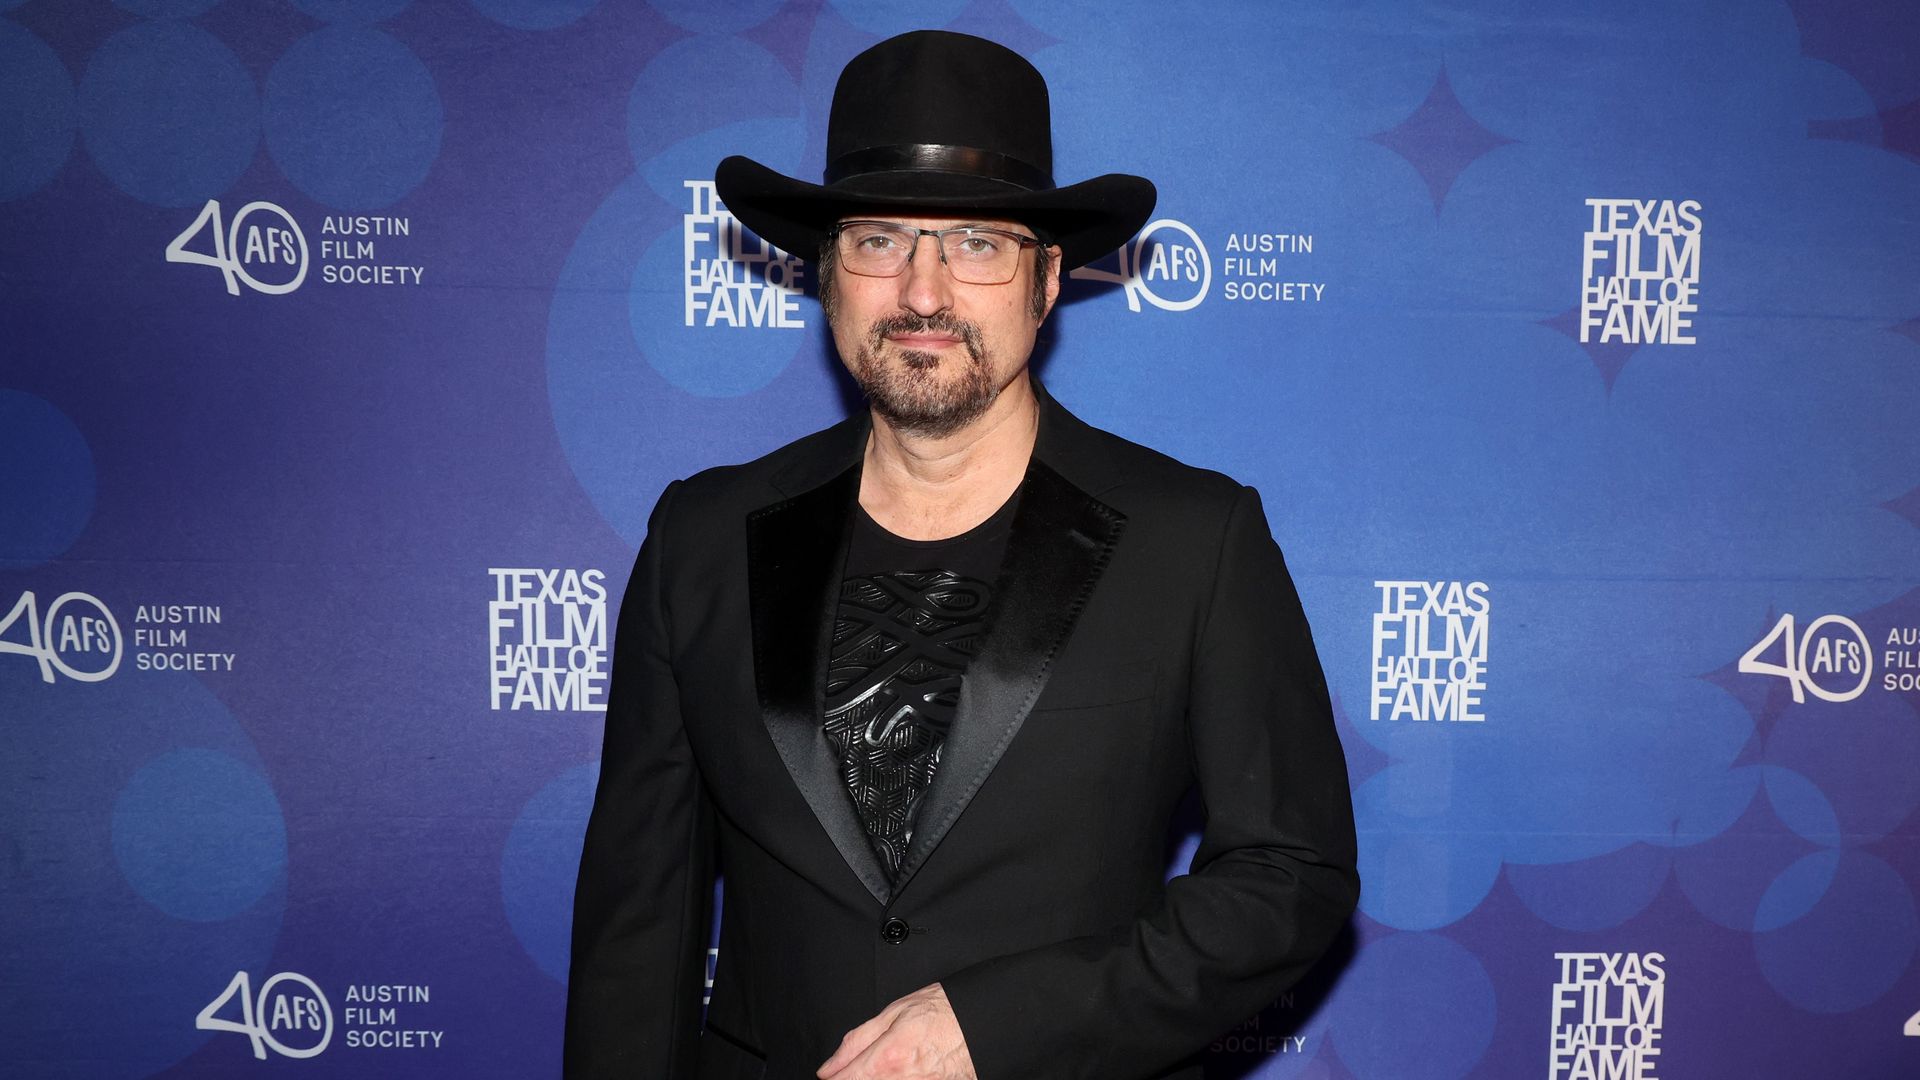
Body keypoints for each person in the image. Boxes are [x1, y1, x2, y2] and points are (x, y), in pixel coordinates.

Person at [565, 29, 1358, 1080]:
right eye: (879, 241)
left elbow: (1289, 874)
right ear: (827, 273)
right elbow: (640, 921)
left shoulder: (1195, 541)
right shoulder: (700, 539)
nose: (924, 292)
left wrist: (1002, 1024)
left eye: (977, 244)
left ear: (1046, 278)